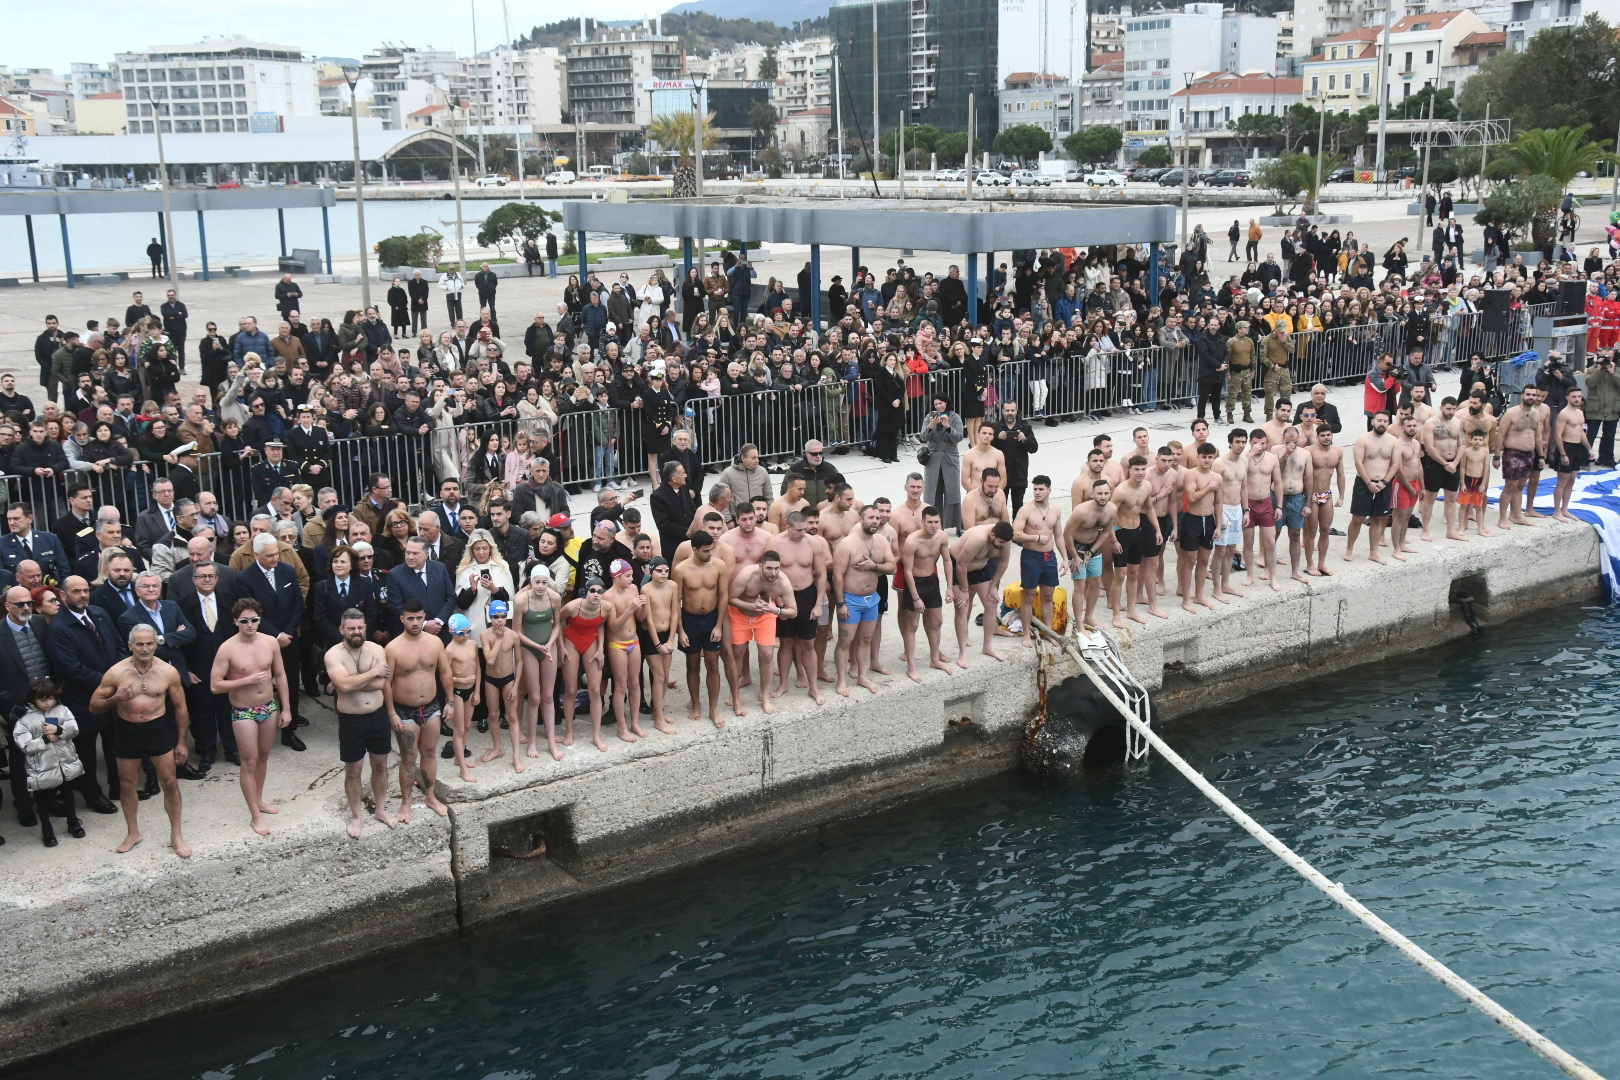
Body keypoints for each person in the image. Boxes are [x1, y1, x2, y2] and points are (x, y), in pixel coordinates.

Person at [88, 623, 191, 858]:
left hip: (158, 728)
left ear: (156, 644)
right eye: (140, 644)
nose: (145, 648)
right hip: (127, 729)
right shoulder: (116, 672)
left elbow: (181, 708)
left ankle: (176, 834)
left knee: (169, 781)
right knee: (126, 783)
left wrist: (182, 742)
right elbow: (94, 706)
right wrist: (116, 698)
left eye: (149, 643)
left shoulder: (167, 672)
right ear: (130, 645)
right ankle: (133, 832)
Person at [210, 596, 290, 837]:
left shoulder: (270, 643)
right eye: (244, 621)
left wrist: (286, 708)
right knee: (249, 761)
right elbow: (215, 685)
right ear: (236, 621)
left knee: (264, 756)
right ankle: (254, 814)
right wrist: (246, 680)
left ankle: (259, 800)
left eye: (254, 620)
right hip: (243, 710)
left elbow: (281, 675)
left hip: (268, 707)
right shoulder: (227, 648)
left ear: (259, 619)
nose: (250, 624)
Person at [325, 607, 398, 837]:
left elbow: (379, 685)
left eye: (359, 627)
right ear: (342, 629)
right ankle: (356, 816)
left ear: (365, 627)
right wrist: (372, 673)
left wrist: (348, 682)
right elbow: (344, 687)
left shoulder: (377, 649)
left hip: (377, 716)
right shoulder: (333, 655)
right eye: (351, 628)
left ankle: (380, 810)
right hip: (351, 720)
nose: (356, 632)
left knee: (380, 765)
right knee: (354, 770)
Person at [383, 597, 453, 821]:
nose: (415, 622)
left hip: (431, 707)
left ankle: (430, 796)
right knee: (408, 758)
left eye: (419, 618)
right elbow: (386, 683)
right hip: (405, 711)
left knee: (430, 752)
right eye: (410, 618)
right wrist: (391, 712)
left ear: (425, 617)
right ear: (402, 619)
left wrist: (450, 701)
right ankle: (406, 802)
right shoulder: (393, 648)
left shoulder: (435, 643)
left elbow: (445, 672)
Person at [13, 678, 85, 847]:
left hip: (65, 764)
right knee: (43, 800)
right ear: (32, 699)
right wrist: (45, 739)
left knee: (68, 793)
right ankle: (47, 828)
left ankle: (73, 821)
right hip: (42, 768)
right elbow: (25, 745)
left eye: (51, 698)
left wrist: (59, 731)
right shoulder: (25, 720)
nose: (47, 703)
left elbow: (74, 729)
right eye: (42, 699)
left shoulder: (62, 710)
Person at [832, 505, 895, 697]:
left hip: (872, 600)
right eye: (871, 518)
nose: (875, 521)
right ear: (861, 519)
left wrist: (873, 565)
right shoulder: (847, 544)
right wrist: (841, 603)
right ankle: (841, 680)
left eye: (877, 518)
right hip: (851, 600)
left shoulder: (882, 542)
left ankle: (862, 676)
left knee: (866, 639)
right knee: (845, 641)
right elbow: (837, 576)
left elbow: (892, 567)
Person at [673, 532, 728, 726]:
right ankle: (696, 704)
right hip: (690, 620)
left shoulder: (719, 566)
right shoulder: (681, 570)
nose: (710, 554)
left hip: (712, 618)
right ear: (694, 549)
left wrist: (719, 625)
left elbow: (723, 596)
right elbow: (676, 602)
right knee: (692, 664)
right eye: (705, 551)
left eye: (711, 549)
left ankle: (713, 709)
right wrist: (681, 630)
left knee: (713, 664)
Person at [897, 504, 954, 680]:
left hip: (932, 581)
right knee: (912, 625)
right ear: (922, 522)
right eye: (930, 522)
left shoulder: (942, 537)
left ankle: (935, 659)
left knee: (937, 621)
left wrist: (950, 587)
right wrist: (915, 597)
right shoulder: (912, 542)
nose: (934, 525)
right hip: (915, 582)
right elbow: (907, 571)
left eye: (937, 522)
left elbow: (946, 560)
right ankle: (911, 666)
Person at [513, 565, 564, 759]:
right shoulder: (521, 600)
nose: (541, 586)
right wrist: (537, 645)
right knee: (534, 698)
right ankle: (532, 741)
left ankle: (551, 741)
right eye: (537, 582)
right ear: (531, 581)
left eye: (544, 582)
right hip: (529, 649)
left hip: (548, 647)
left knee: (549, 696)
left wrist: (550, 644)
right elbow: (517, 631)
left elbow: (558, 625)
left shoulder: (555, 598)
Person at [950, 521, 1013, 666]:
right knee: (962, 606)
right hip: (958, 566)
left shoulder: (1005, 541)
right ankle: (962, 653)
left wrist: (993, 586)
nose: (1002, 546)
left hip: (980, 567)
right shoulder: (978, 538)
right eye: (1000, 542)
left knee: (992, 603)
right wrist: (965, 590)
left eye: (1005, 543)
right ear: (992, 535)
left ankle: (988, 646)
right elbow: (961, 564)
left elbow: (1003, 562)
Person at [1012, 475, 1064, 646]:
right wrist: (1036, 537)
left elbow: (1058, 535)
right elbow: (1015, 534)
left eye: (1041, 489)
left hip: (1049, 557)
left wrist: (1065, 558)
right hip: (1031, 557)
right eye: (1034, 489)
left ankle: (1047, 631)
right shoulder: (1026, 510)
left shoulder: (1055, 509)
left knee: (1048, 596)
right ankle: (1027, 634)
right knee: (1028, 596)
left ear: (1049, 490)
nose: (1037, 492)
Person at [558, 577, 609, 751]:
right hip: (571, 641)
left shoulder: (606, 607)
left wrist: (601, 648)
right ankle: (569, 731)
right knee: (571, 689)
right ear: (585, 592)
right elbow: (558, 621)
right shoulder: (573, 606)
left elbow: (601, 624)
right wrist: (561, 646)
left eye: (600, 591)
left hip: (591, 641)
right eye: (592, 591)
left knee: (595, 690)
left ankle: (596, 734)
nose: (596, 594)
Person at [601, 561, 649, 735]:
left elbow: (641, 618)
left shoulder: (634, 589)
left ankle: (634, 723)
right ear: (617, 576)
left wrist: (642, 605)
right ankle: (622, 728)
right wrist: (629, 609)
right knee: (621, 686)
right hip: (617, 644)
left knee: (635, 684)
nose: (632, 579)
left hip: (634, 641)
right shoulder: (608, 596)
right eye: (627, 576)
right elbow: (612, 626)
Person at [1345, 412, 1398, 564]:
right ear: (1373, 421)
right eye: (1379, 420)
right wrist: (1369, 483)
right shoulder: (1363, 439)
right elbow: (1359, 463)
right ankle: (1350, 548)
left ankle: (1373, 552)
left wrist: (1385, 482)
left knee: (1378, 519)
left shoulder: (1393, 441)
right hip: (1364, 482)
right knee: (1358, 518)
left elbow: (1395, 464)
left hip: (1384, 484)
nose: (1382, 423)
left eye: (1385, 421)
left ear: (1388, 423)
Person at [1066, 478, 1119, 627]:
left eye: (1106, 493)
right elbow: (1067, 534)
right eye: (1100, 493)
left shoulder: (1112, 509)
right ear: (1092, 494)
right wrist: (1074, 557)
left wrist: (1092, 550)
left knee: (1096, 582)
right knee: (1080, 584)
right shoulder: (1081, 511)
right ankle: (1079, 623)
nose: (1103, 497)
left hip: (1093, 547)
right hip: (1075, 547)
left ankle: (1089, 617)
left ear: (1110, 494)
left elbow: (1107, 531)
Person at [480, 600, 526, 765]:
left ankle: (516, 756)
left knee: (512, 716)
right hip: (491, 679)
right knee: (493, 715)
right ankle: (497, 748)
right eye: (496, 616)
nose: (500, 620)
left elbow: (519, 662)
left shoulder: (513, 635)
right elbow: (489, 660)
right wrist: (498, 640)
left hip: (508, 679)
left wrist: (515, 685)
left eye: (503, 616)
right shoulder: (485, 635)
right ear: (490, 617)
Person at [1239, 431, 1283, 593]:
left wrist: (1279, 506)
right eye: (1257, 442)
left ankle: (1273, 577)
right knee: (1248, 542)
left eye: (1263, 443)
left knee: (1270, 542)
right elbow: (1240, 474)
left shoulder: (1272, 459)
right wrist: (1251, 453)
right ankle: (1250, 575)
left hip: (1265, 503)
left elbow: (1278, 483)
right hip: (1248, 504)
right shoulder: (1244, 458)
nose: (1260, 446)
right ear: (1250, 442)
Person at [443, 614, 482, 781]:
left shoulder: (472, 644)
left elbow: (478, 668)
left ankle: (460, 760)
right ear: (452, 632)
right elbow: (444, 677)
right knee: (458, 730)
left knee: (467, 726)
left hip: (471, 690)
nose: (466, 636)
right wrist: (461, 680)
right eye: (461, 633)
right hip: (457, 692)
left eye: (468, 632)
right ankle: (462, 770)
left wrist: (478, 691)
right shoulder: (449, 650)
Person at [1305, 425, 1345, 576]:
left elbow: (1340, 474)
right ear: (1317, 436)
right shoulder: (1309, 451)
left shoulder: (1337, 452)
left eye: (1329, 435)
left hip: (1326, 495)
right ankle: (1310, 564)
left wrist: (1341, 496)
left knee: (1325, 531)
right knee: (1312, 531)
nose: (1326, 437)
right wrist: (1309, 494)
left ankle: (1321, 563)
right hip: (1313, 496)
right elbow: (1304, 475)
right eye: (1323, 435)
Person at [1552, 388, 1592, 523]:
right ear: (1567, 397)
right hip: (1566, 446)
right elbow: (1557, 435)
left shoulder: (1580, 413)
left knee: (1572, 480)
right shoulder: (1564, 414)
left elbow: (1581, 433)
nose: (1577, 399)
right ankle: (1557, 511)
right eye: (1574, 396)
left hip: (1577, 448)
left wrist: (1589, 449)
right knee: (1562, 481)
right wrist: (1563, 454)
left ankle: (1565, 509)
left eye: (1579, 396)